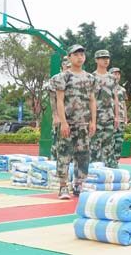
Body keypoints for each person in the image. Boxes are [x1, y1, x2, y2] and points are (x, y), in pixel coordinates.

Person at [53, 45, 97, 199]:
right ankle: (63, 186)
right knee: (64, 154)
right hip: (68, 123)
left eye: (82, 55)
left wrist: (93, 121)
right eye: (76, 54)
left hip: (84, 123)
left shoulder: (90, 78)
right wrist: (63, 122)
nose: (80, 57)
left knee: (83, 155)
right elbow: (59, 100)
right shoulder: (63, 77)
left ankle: (79, 184)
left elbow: (92, 100)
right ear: (69, 57)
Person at [89, 50, 120, 168]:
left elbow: (115, 97)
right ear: (96, 60)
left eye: (107, 58)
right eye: (103, 58)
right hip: (96, 117)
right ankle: (94, 170)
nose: (106, 60)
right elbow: (89, 99)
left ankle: (109, 169)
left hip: (109, 116)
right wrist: (91, 120)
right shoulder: (91, 77)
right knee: (94, 146)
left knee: (109, 145)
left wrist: (117, 116)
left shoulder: (112, 78)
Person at [49, 58, 71, 161]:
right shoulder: (56, 78)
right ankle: (54, 163)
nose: (69, 67)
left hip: (74, 117)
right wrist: (55, 116)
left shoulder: (76, 78)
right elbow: (53, 99)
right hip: (60, 117)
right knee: (57, 143)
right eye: (67, 65)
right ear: (63, 65)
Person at [110, 67, 128, 164]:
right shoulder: (107, 88)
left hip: (120, 119)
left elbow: (124, 104)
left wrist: (126, 118)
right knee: (110, 142)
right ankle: (108, 162)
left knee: (119, 142)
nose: (116, 76)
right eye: (114, 74)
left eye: (118, 74)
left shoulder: (122, 90)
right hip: (110, 118)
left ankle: (116, 162)